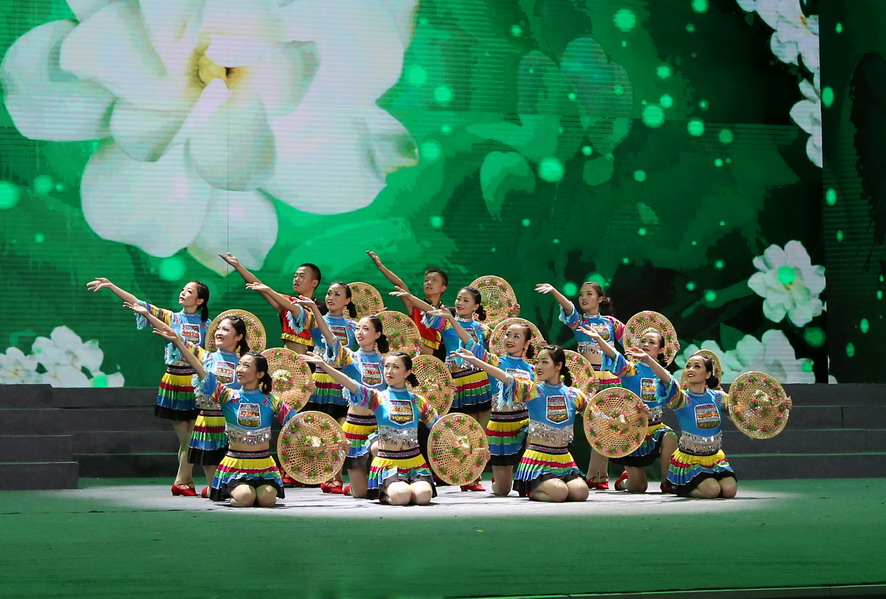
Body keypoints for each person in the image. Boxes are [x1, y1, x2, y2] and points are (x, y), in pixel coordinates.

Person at [86, 277, 209, 496]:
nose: (182, 293)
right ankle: (181, 481)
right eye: (182, 289)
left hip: (197, 384)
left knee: (191, 438)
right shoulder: (171, 317)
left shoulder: (208, 326)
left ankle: (184, 482)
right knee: (187, 439)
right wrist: (112, 286)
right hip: (175, 382)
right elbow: (138, 303)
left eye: (189, 291)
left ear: (199, 300)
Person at [156, 326, 295, 507]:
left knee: (267, 500)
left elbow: (297, 423)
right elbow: (201, 371)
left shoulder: (271, 401)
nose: (239, 369)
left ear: (260, 374)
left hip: (264, 467)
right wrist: (178, 342)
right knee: (245, 498)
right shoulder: (228, 396)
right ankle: (226, 489)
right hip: (236, 467)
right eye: (239, 365)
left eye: (246, 366)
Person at [300, 351, 444, 505]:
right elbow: (350, 383)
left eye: (395, 367)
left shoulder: (418, 401)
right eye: (386, 366)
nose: (389, 371)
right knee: (402, 496)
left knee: (423, 496)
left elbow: (439, 428)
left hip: (415, 463)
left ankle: (403, 490)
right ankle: (384, 493)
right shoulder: (378, 398)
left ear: (407, 372)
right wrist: (324, 365)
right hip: (389, 464)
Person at [454, 345, 590, 503]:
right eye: (537, 362)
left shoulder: (575, 395)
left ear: (558, 366)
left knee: (581, 492)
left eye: (544, 362)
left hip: (564, 460)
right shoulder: (532, 390)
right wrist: (477, 361)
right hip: (539, 462)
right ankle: (530, 489)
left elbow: (593, 418)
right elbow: (506, 378)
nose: (538, 367)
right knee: (559, 492)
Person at [392, 286, 492, 492]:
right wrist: (410, 297)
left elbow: (489, 351)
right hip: (456, 383)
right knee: (461, 431)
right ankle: (462, 473)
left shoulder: (483, 329)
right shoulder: (446, 321)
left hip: (480, 381)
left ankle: (475, 475)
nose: (460, 303)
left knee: (480, 432)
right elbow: (429, 310)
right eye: (458, 298)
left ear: (476, 306)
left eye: (466, 300)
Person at [536, 281, 624, 489]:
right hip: (588, 381)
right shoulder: (580, 322)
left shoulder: (612, 323)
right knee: (597, 426)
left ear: (600, 299)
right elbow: (568, 307)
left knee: (608, 427)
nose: (584, 297)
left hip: (611, 379)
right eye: (581, 294)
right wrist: (554, 291)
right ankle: (586, 474)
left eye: (589, 294)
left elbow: (630, 342)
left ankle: (600, 475)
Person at [297, 298, 389, 497]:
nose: (360, 332)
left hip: (379, 425)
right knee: (360, 494)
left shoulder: (386, 363)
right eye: (358, 328)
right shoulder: (349, 357)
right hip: (354, 425)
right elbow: (330, 337)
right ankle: (352, 488)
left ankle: (381, 481)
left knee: (378, 453)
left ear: (377, 334)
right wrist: (314, 309)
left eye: (366, 329)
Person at [579, 326, 678, 493]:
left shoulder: (661, 374)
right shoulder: (631, 370)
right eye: (643, 341)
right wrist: (598, 339)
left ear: (661, 349)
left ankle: (667, 482)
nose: (646, 344)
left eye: (651, 342)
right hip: (630, 431)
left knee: (670, 436)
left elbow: (672, 387)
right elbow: (614, 355)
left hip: (655, 429)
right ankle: (623, 482)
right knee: (638, 487)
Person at [465, 320, 536, 496]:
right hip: (500, 427)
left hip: (524, 425)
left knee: (535, 433)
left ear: (526, 343)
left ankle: (527, 479)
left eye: (516, 336)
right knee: (503, 490)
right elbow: (472, 345)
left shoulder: (533, 369)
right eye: (507, 335)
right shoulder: (495, 362)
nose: (510, 339)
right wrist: (452, 320)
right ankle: (499, 481)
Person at [657, 353, 742, 498]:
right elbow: (667, 380)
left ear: (708, 374)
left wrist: (772, 406)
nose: (691, 369)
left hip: (715, 458)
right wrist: (648, 359)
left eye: (697, 366)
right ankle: (679, 487)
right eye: (688, 366)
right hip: (691, 460)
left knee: (729, 491)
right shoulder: (682, 399)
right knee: (712, 491)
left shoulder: (719, 397)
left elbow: (745, 413)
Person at [219, 253, 322, 354]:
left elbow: (296, 309)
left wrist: (269, 291)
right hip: (289, 361)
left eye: (302, 276)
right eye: (295, 276)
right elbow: (259, 286)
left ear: (314, 283)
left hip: (316, 361)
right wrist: (238, 266)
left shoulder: (321, 309)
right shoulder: (285, 303)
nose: (296, 279)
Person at [366, 250, 449, 359]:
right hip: (413, 360)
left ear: (443, 288)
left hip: (439, 361)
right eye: (426, 280)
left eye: (434, 280)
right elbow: (400, 284)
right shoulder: (415, 307)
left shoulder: (447, 312)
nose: (429, 283)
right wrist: (381, 266)